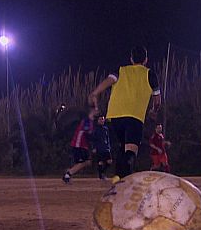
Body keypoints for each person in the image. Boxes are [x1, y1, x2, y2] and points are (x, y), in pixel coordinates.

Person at [89, 46, 161, 184]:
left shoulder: (121, 70)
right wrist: (153, 110)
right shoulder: (150, 74)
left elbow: (108, 81)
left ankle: (118, 177)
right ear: (146, 60)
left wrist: (95, 93)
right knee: (131, 151)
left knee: (123, 146)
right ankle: (123, 180)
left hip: (115, 116)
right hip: (134, 116)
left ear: (131, 59)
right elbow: (157, 101)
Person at [62, 109, 96, 184]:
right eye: (93, 112)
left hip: (83, 145)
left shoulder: (90, 122)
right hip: (78, 145)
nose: (95, 113)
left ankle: (68, 172)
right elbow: (88, 132)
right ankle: (67, 175)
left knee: (87, 162)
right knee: (83, 162)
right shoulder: (86, 121)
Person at [92, 114, 113, 180]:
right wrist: (94, 147)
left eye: (103, 119)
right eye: (100, 119)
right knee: (100, 162)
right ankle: (101, 175)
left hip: (106, 147)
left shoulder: (106, 129)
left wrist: (109, 146)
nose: (102, 120)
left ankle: (103, 172)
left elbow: (107, 138)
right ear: (98, 120)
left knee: (109, 161)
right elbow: (93, 139)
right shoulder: (95, 129)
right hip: (99, 147)